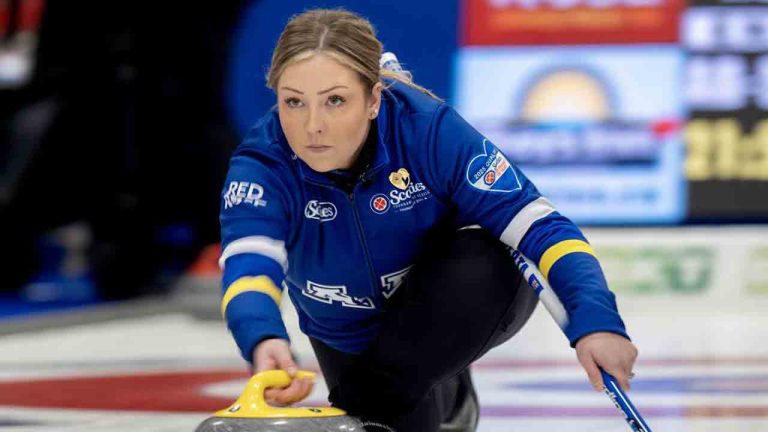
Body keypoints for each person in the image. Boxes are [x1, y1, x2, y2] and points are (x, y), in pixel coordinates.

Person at [218, 8, 638, 432]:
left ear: (373, 100)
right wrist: (264, 337)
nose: (313, 126)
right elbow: (249, 264)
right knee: (395, 407)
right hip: (346, 332)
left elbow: (541, 227)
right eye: (294, 102)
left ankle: (431, 385)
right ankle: (451, 399)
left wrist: (598, 323)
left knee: (483, 256)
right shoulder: (262, 163)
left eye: (335, 100)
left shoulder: (427, 130)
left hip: (453, 297)